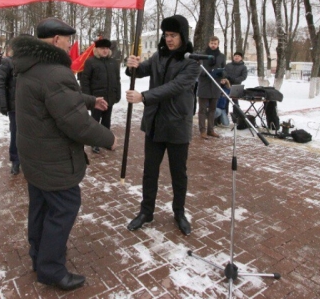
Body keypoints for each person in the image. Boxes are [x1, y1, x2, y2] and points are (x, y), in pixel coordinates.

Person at [12, 18, 116, 291]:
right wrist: (108, 138)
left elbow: (56, 99)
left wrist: (90, 100)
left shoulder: (30, 66)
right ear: (56, 40)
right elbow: (76, 122)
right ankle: (51, 269)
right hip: (54, 161)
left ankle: (39, 256)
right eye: (68, 39)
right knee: (64, 208)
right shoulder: (55, 72)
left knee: (41, 208)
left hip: (35, 157)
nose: (70, 45)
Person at [124, 14, 199, 236]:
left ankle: (179, 213)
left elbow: (175, 87)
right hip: (155, 123)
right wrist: (132, 66)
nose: (169, 39)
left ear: (183, 36)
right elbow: (142, 70)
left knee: (179, 173)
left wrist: (144, 97)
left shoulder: (192, 62)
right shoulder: (159, 56)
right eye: (166, 35)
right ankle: (146, 211)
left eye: (173, 35)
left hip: (177, 125)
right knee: (149, 171)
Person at [79, 38, 121, 154]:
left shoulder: (113, 63)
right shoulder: (90, 62)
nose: (105, 51)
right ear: (97, 49)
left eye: (107, 48)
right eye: (102, 48)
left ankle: (106, 141)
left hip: (109, 97)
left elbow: (117, 80)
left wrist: (117, 94)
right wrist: (89, 98)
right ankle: (94, 143)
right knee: (95, 121)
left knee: (107, 121)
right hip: (96, 98)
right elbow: (85, 81)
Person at [0, 44, 19, 175]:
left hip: (27, 105)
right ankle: (15, 161)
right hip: (14, 106)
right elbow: (0, 84)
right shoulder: (7, 63)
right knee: (15, 133)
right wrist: (3, 105)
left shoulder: (28, 63)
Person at [196, 36, 225, 139]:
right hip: (204, 84)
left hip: (215, 85)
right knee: (202, 110)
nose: (213, 45)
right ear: (209, 43)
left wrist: (221, 75)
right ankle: (202, 130)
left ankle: (211, 130)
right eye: (212, 43)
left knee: (212, 109)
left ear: (218, 44)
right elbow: (197, 67)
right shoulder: (202, 55)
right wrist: (205, 73)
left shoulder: (221, 56)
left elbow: (223, 69)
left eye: (215, 43)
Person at [223, 52, 248, 116]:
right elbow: (224, 72)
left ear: (241, 58)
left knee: (235, 102)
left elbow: (243, 76)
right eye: (235, 56)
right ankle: (224, 116)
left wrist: (235, 80)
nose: (236, 57)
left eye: (238, 56)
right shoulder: (228, 65)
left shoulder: (243, 67)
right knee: (225, 101)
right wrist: (227, 78)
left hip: (237, 86)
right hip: (227, 85)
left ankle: (236, 116)